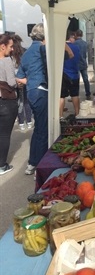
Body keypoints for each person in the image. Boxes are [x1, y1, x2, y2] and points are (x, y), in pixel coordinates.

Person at [16, 23, 49, 175]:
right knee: (43, 130)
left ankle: (32, 163)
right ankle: (40, 167)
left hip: (31, 91)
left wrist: (32, 82)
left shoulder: (27, 53)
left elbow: (20, 77)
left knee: (38, 129)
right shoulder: (43, 49)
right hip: (41, 91)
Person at [0, 34, 18, 175]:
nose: (12, 49)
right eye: (10, 46)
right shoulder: (6, 61)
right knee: (4, 135)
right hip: (6, 101)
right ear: (3, 46)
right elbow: (12, 83)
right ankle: (2, 165)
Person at [11, 34, 33, 131]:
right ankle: (29, 120)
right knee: (26, 101)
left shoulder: (10, 54)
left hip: (14, 79)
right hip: (24, 79)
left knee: (19, 101)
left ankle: (21, 122)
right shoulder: (25, 51)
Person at [60, 31, 80, 118]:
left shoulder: (61, 47)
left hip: (63, 75)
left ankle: (60, 116)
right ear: (70, 37)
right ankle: (77, 113)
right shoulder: (76, 47)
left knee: (61, 96)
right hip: (74, 73)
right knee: (75, 95)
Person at [74, 29, 91, 100]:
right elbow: (87, 53)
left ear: (75, 35)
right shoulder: (85, 43)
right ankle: (88, 94)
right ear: (82, 35)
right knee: (85, 79)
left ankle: (75, 96)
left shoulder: (74, 43)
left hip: (76, 64)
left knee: (76, 80)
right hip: (84, 63)